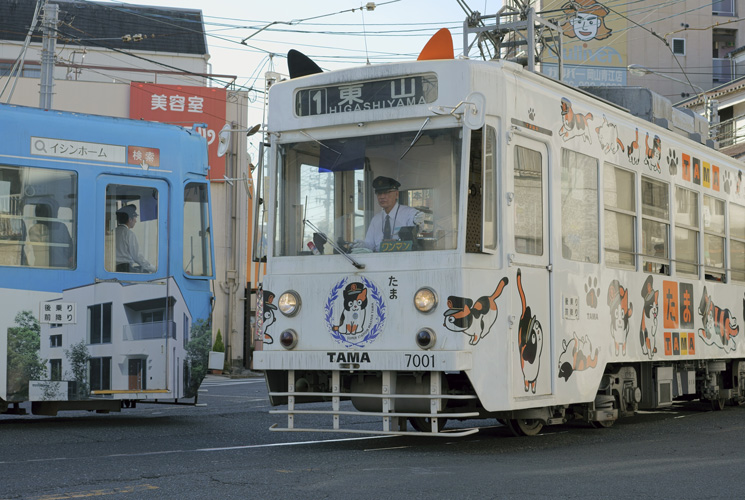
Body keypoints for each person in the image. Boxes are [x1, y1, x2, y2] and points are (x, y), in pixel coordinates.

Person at [356, 176, 424, 252]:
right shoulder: (376, 219)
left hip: (402, 259)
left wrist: (418, 222)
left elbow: (418, 226)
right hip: (378, 260)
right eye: (379, 193)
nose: (382, 197)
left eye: (386, 193)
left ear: (396, 194)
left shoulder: (409, 213)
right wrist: (362, 245)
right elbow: (370, 245)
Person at [115, 204, 155, 273]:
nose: (136, 221)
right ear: (130, 219)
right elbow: (138, 257)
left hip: (112, 268)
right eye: (135, 218)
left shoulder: (113, 233)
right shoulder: (129, 234)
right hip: (125, 270)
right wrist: (153, 269)